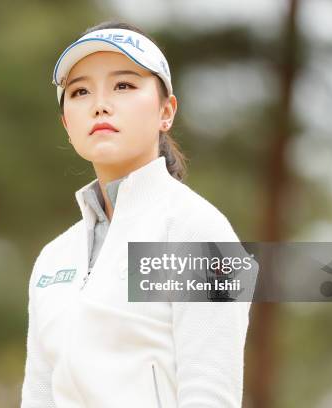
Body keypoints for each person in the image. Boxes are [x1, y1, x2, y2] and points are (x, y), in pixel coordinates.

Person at [21, 20, 251, 408]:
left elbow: (210, 395)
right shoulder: (53, 258)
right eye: (79, 92)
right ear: (66, 124)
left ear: (166, 111)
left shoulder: (194, 230)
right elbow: (38, 397)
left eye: (124, 85)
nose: (100, 104)